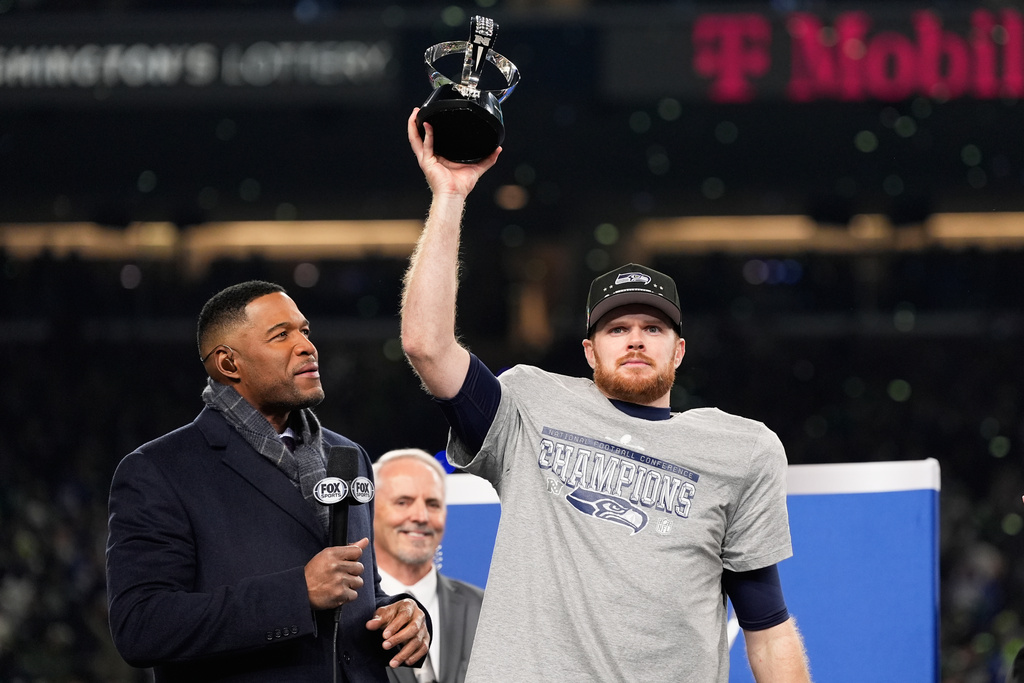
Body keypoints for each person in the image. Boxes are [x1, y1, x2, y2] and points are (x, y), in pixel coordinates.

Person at [399, 109, 812, 682]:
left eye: (653, 329)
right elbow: (426, 346)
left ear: (679, 352)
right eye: (617, 330)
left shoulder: (741, 450)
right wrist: (449, 196)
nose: (636, 341)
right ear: (591, 353)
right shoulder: (528, 406)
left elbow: (766, 623)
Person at [106, 280, 430, 682]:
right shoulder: (159, 471)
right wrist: (297, 594)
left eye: (305, 331)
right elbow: (141, 626)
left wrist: (402, 612)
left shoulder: (348, 457)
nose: (307, 346)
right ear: (228, 363)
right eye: (281, 336)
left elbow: (361, 588)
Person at [372, 448, 484, 683]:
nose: (421, 517)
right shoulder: (346, 615)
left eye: (433, 504)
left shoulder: (487, 608)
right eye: (403, 502)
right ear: (370, 513)